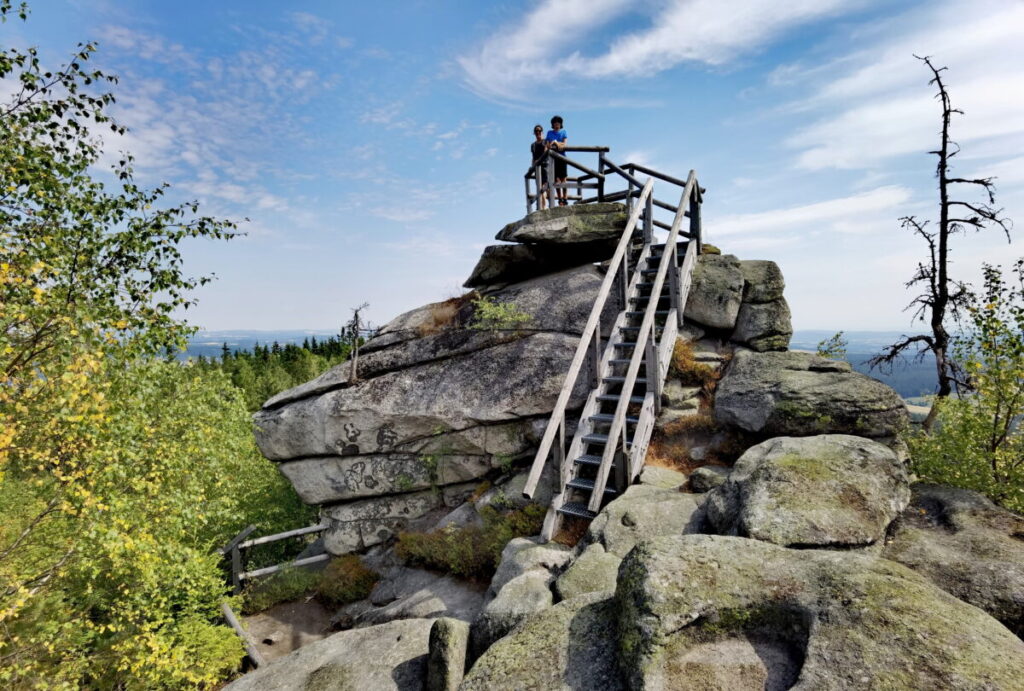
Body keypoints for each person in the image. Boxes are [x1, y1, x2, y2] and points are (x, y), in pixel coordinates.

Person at [545, 115, 568, 206]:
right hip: (553, 159)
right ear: (552, 124)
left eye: (558, 123)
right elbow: (548, 146)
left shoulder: (564, 132)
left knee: (564, 179)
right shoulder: (549, 133)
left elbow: (564, 144)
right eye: (555, 123)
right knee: (556, 180)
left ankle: (565, 198)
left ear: (560, 124)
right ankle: (560, 199)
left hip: (562, 157)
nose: (556, 124)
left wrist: (555, 142)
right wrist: (556, 143)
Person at [530, 124, 550, 210]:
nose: (538, 132)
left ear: (542, 132)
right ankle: (542, 206)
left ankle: (545, 205)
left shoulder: (545, 141)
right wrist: (532, 168)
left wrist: (538, 161)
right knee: (540, 187)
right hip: (537, 168)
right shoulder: (533, 145)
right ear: (534, 133)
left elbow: (545, 153)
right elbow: (533, 157)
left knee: (545, 187)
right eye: (536, 131)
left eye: (539, 131)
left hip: (545, 166)